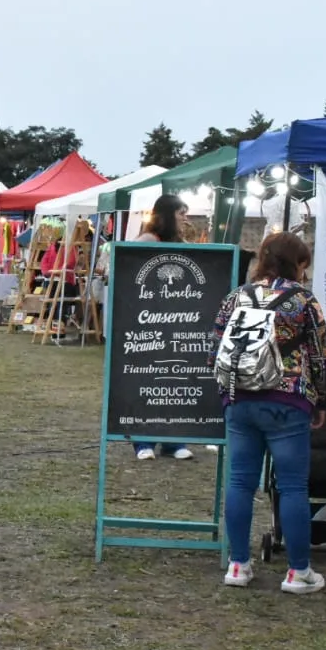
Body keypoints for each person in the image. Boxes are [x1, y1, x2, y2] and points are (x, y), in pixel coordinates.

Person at [213, 232, 326, 594]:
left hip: (241, 399)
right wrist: (322, 400)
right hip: (287, 400)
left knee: (239, 483)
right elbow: (322, 356)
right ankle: (298, 572)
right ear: (297, 264)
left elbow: (216, 343)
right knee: (293, 486)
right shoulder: (302, 302)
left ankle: (238, 564)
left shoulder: (238, 295)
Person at [134, 195, 194, 461]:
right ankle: (143, 441)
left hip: (177, 321)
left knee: (175, 381)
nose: (185, 218)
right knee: (147, 381)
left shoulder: (182, 244)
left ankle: (173, 441)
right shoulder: (148, 241)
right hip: (148, 322)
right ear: (169, 214)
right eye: (181, 213)